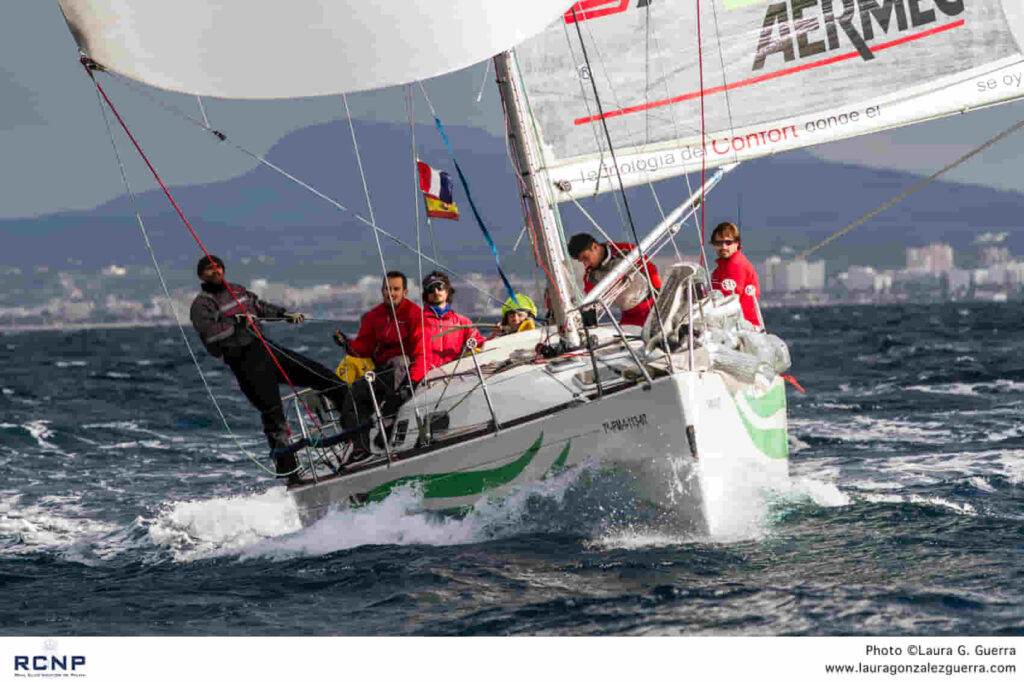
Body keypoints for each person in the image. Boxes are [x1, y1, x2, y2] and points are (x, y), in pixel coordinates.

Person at [189, 254, 349, 484]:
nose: (216, 272)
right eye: (209, 270)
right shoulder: (201, 305)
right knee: (274, 417)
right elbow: (211, 334)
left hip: (266, 349)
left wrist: (284, 314)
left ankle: (356, 436)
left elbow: (259, 307)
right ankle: (290, 476)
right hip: (244, 362)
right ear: (200, 275)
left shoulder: (237, 290)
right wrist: (237, 322)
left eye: (219, 268)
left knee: (325, 378)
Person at [333, 271, 425, 457]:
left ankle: (390, 421)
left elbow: (422, 352)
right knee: (355, 394)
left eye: (396, 289)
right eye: (387, 289)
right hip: (384, 370)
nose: (391, 293)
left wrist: (413, 380)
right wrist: (346, 343)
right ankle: (360, 446)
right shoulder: (373, 317)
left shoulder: (415, 314)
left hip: (407, 369)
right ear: (382, 291)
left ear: (405, 292)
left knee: (399, 362)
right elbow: (364, 348)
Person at [567, 233, 662, 327]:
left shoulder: (623, 250)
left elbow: (650, 269)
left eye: (585, 258)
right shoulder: (591, 278)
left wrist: (661, 296)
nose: (585, 264)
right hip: (629, 317)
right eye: (582, 261)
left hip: (653, 307)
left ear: (595, 247)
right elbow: (591, 304)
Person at [420, 271, 485, 370]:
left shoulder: (462, 322)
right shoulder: (416, 321)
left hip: (455, 377)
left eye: (440, 287)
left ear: (447, 291)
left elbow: (479, 345)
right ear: (426, 295)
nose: (436, 292)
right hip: (425, 378)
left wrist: (497, 335)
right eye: (431, 289)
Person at [709, 221, 763, 328]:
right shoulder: (723, 266)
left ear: (737, 243)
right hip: (735, 323)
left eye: (728, 242)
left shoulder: (735, 265)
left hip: (742, 325)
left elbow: (728, 299)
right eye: (719, 243)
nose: (723, 246)